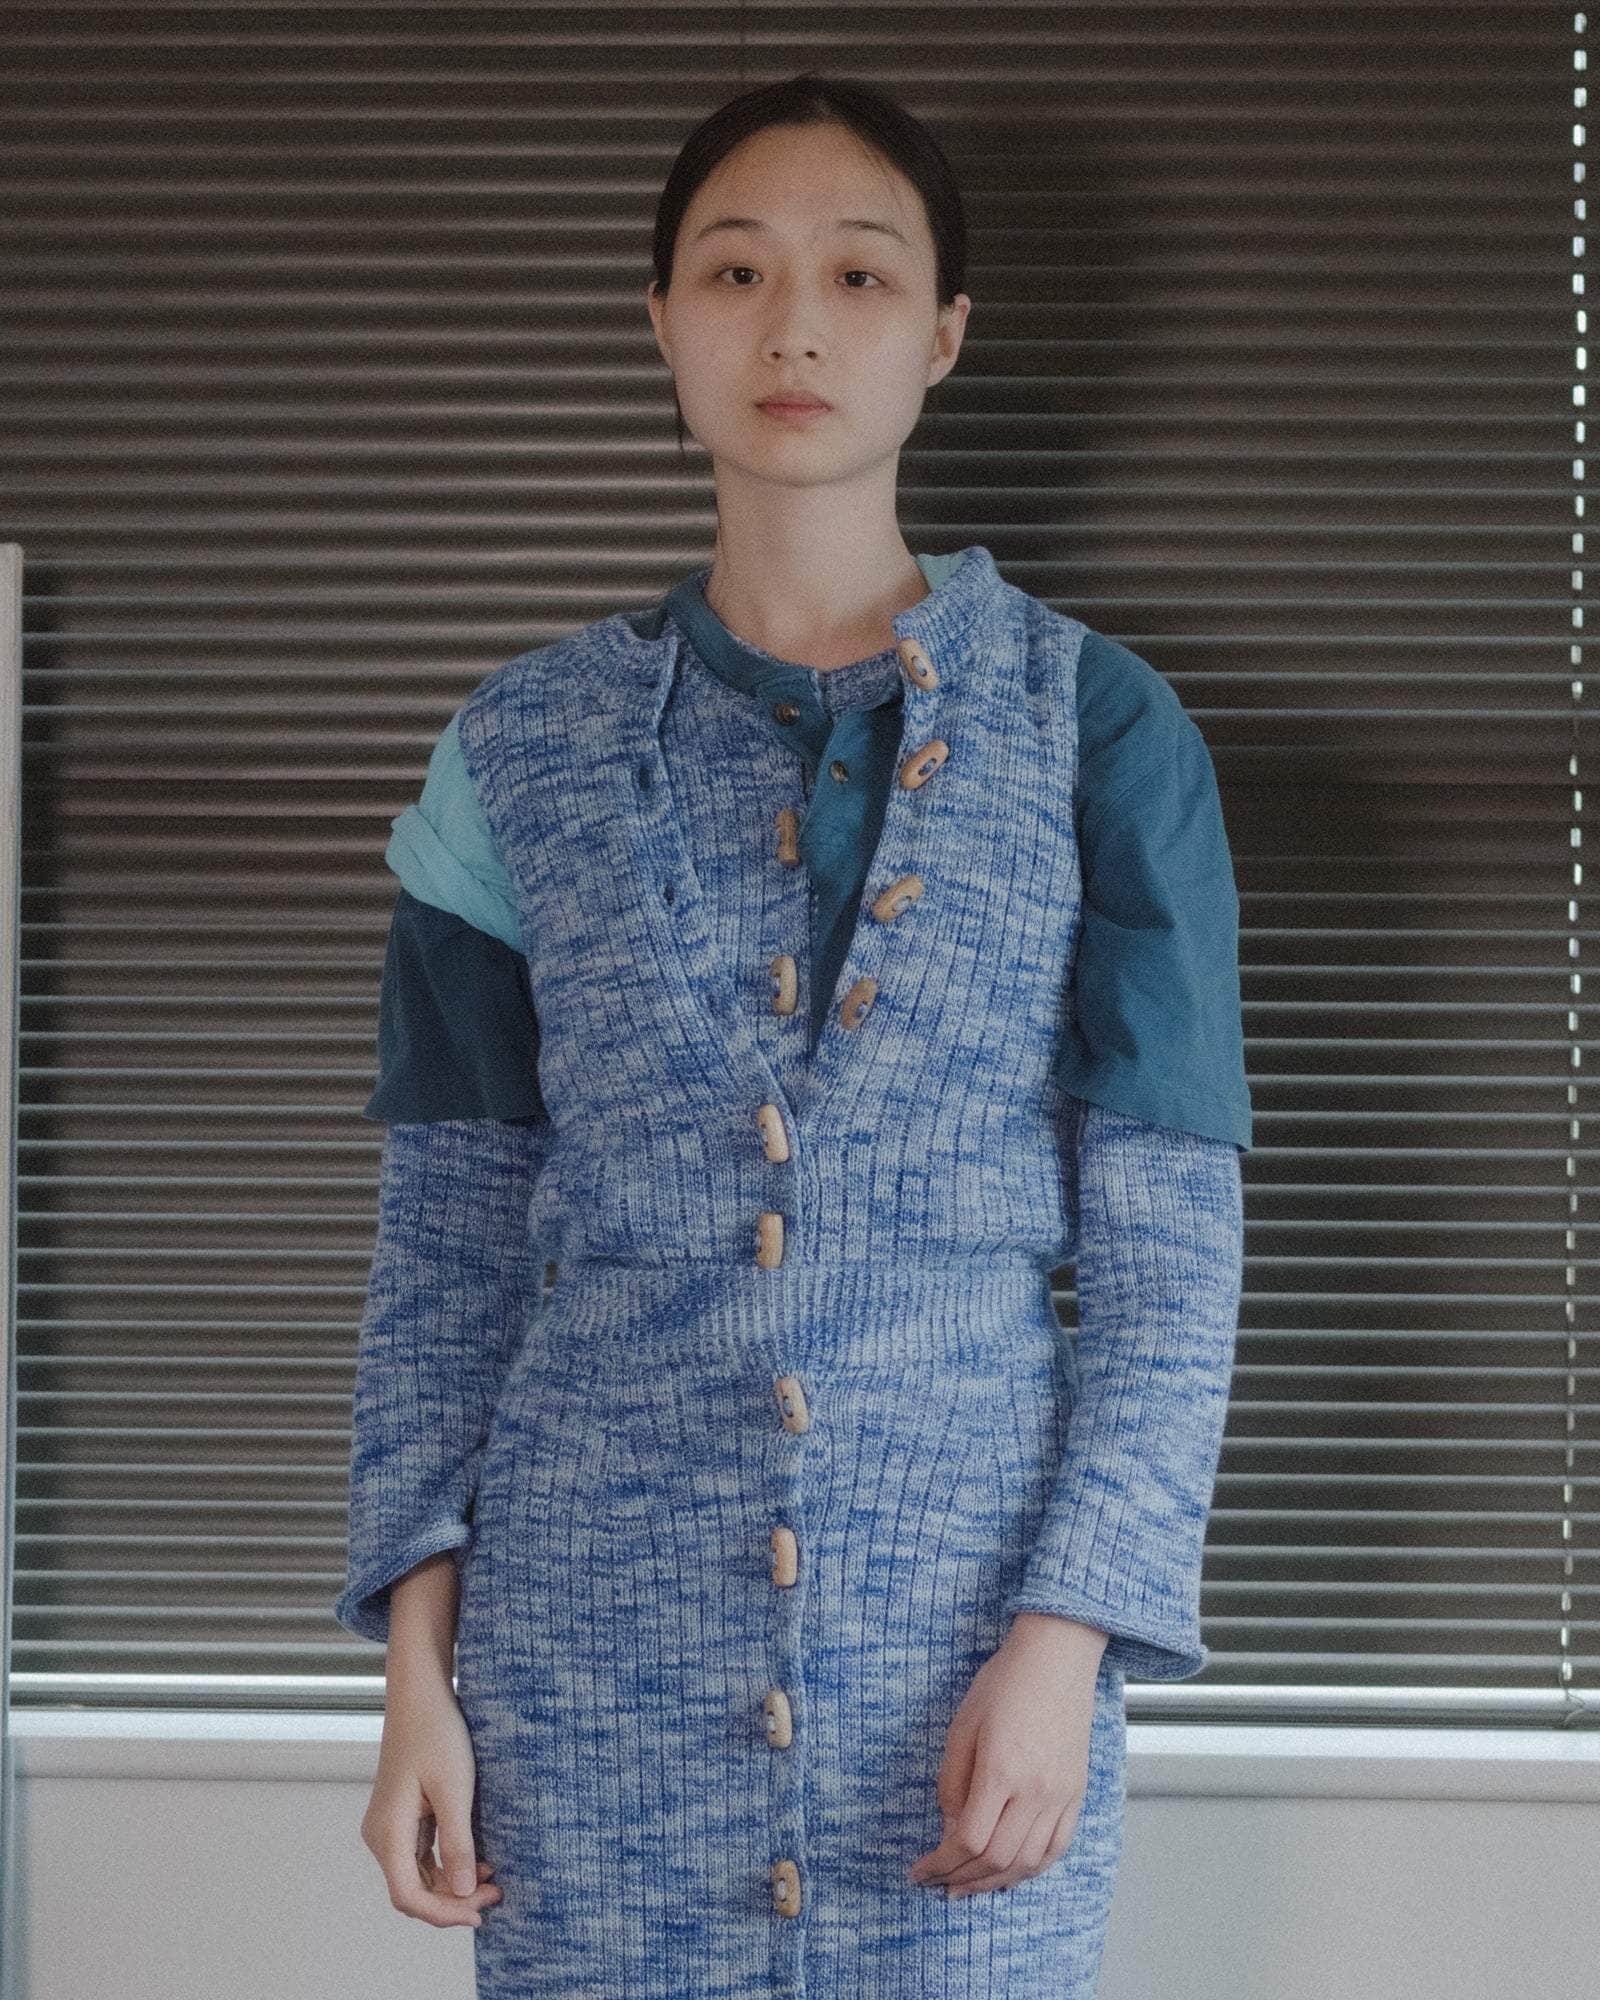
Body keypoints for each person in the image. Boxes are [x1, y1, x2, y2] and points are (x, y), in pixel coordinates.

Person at [334, 70, 1250, 2000]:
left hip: (972, 1678)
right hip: (578, 1684)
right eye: (737, 271)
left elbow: (1168, 1257)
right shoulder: (516, 751)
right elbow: (443, 1253)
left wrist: (1068, 1643)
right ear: (663, 323)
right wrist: (419, 1678)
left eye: (860, 273)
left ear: (945, 334)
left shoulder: (1097, 730)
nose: (796, 326)